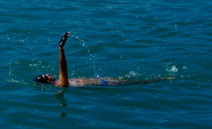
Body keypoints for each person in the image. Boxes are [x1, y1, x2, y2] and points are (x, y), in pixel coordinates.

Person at [35, 32, 174, 88]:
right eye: (44, 76)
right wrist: (61, 48)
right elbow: (63, 67)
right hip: (103, 83)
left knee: (131, 80)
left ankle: (161, 79)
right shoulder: (61, 84)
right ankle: (163, 79)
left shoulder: (60, 83)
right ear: (46, 81)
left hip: (100, 80)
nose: (46, 74)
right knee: (136, 82)